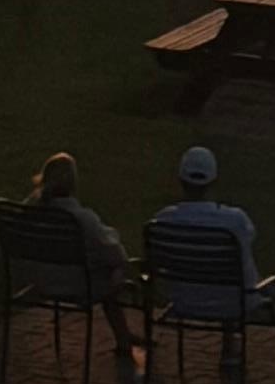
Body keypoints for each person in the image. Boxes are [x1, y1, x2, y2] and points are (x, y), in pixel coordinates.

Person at [28, 150, 140, 363]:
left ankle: (124, 335)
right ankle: (123, 340)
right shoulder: (81, 219)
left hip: (40, 281)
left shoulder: (31, 212)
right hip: (75, 285)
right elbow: (114, 252)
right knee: (114, 268)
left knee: (107, 267)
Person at [147, 143, 262, 295]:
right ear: (214, 181)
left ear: (180, 180)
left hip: (183, 302)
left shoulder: (161, 220)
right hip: (233, 304)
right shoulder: (236, 220)